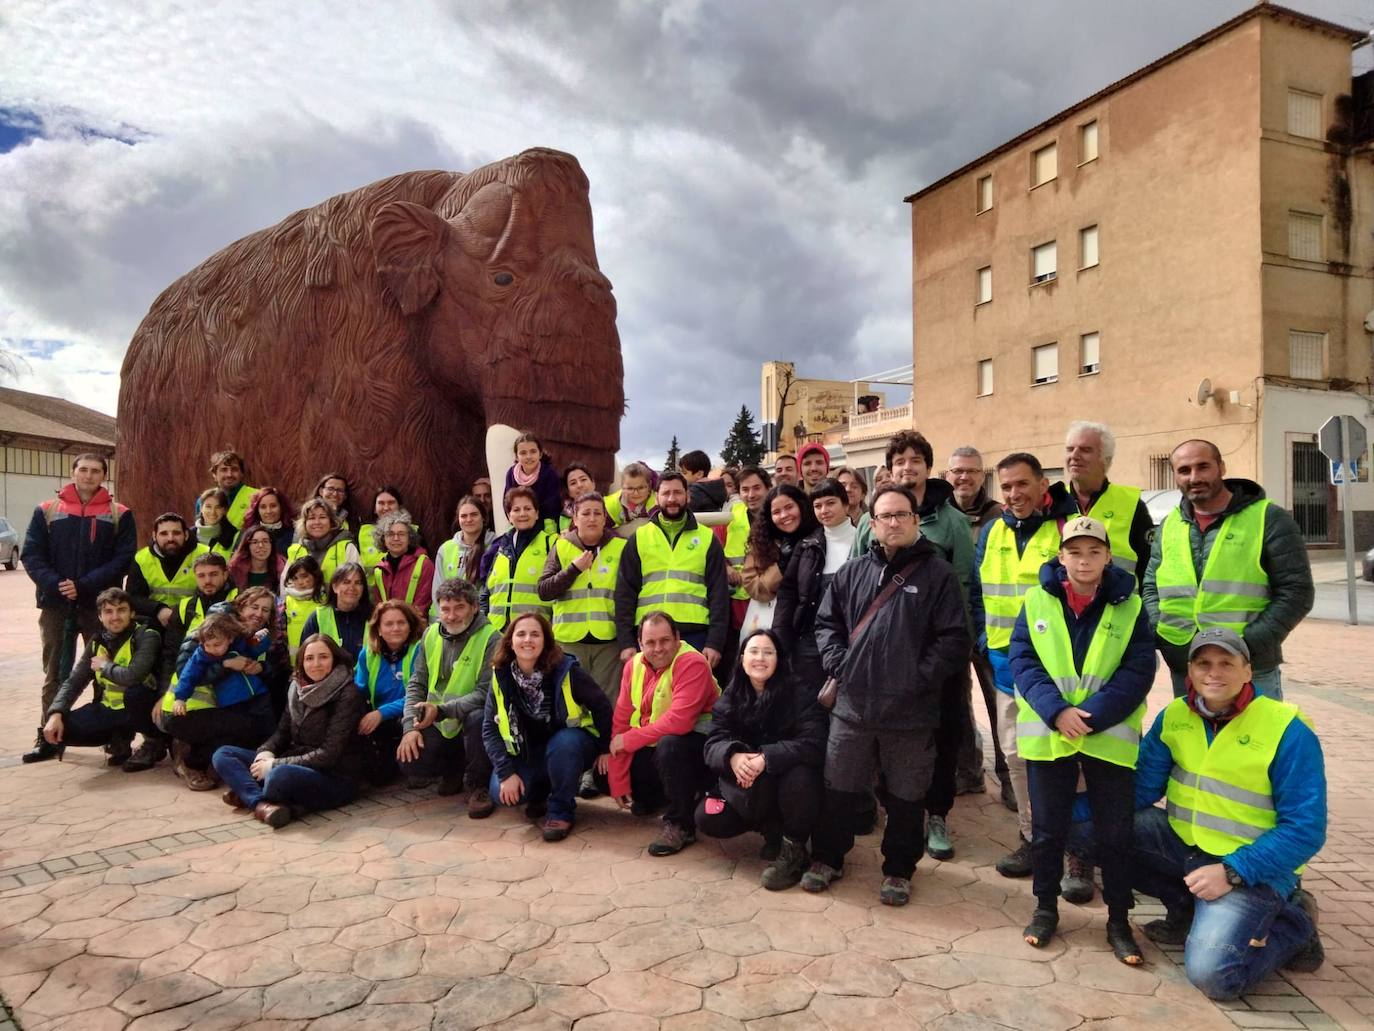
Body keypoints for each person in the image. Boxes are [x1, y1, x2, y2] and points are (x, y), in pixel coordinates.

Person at [1131, 627, 1326, 999]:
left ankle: (1296, 925)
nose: (1213, 673)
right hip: (1186, 846)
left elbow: (1306, 829)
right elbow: (1142, 788)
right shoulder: (1175, 715)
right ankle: (1186, 909)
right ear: (1189, 672)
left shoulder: (1287, 729)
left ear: (1248, 671)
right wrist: (1065, 810)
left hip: (1254, 870)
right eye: (1203, 663)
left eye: (1226, 663)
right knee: (1091, 826)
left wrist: (1233, 872)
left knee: (1213, 977)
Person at [803, 484, 970, 906]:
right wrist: (838, 662)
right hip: (852, 707)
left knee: (906, 795)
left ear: (915, 519)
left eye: (901, 514)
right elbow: (827, 624)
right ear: (872, 524)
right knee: (839, 786)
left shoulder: (939, 576)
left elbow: (953, 640)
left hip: (911, 712)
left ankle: (898, 869)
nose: (893, 523)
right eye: (884, 516)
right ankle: (828, 858)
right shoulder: (853, 572)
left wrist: (915, 679)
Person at [1008, 516, 1154, 964]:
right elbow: (1023, 659)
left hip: (1107, 736)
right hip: (1050, 736)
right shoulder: (1035, 600)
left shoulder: (1129, 606)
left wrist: (1092, 716)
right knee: (1048, 831)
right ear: (1061, 556)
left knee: (1115, 833)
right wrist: (1056, 711)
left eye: (1094, 551)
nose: (1084, 560)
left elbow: (1139, 669)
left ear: (1108, 556)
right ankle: (1045, 908)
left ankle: (1117, 921)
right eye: (1075, 551)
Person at [853, 430, 978, 862]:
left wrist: (952, 651)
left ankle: (937, 813)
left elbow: (964, 586)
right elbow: (856, 582)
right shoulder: (873, 517)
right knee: (884, 733)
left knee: (942, 732)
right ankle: (893, 807)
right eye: (899, 460)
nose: (908, 467)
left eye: (915, 460)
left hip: (936, 651)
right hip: (881, 653)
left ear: (928, 466)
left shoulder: (952, 522)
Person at [1143, 439, 1314, 701]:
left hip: (1249, 666)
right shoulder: (1169, 525)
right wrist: (1161, 631)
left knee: (1258, 741)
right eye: (1184, 470)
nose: (1194, 477)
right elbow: (1151, 587)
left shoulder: (1269, 518)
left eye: (1203, 467)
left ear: (1221, 467)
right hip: (1186, 664)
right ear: (1176, 476)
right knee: (1191, 741)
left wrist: (1249, 643)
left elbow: (1296, 591)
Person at [971, 452, 1070, 878]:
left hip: (1055, 670)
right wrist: (982, 636)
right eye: (1006, 486)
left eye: (1022, 484)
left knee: (1063, 757)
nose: (1013, 494)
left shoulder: (1065, 527)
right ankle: (1032, 839)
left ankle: (1074, 850)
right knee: (1014, 754)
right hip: (1005, 664)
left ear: (1042, 485)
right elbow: (979, 591)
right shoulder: (993, 532)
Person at [21, 453, 135, 762]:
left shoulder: (119, 513)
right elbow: (31, 554)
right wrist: (57, 583)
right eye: (82, 469)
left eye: (95, 470)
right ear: (72, 473)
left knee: (106, 671)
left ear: (104, 476)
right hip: (56, 605)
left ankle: (115, 738)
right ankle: (48, 736)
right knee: (55, 672)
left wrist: (84, 585)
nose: (88, 475)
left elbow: (123, 558)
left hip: (100, 607)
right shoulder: (47, 511)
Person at [696, 629, 827, 889]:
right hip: (748, 783)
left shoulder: (799, 692)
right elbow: (713, 742)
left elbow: (815, 742)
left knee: (801, 777)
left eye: (768, 652)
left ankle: (795, 849)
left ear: (779, 659)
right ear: (742, 658)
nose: (760, 658)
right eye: (753, 652)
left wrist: (766, 757)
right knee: (708, 818)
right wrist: (732, 756)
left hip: (786, 781)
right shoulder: (732, 695)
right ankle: (771, 831)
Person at [483, 612, 613, 841]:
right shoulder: (501, 675)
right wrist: (506, 774)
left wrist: (605, 748)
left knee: (563, 744)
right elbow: (489, 728)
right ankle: (540, 792)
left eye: (535, 634)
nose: (528, 640)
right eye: (521, 634)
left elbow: (601, 705)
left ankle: (561, 811)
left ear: (545, 641)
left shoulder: (566, 669)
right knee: (499, 793)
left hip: (572, 745)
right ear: (510, 642)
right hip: (529, 752)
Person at [212, 634, 365, 828]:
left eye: (324, 657)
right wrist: (265, 753)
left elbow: (329, 754)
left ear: (335, 658)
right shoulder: (296, 687)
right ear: (301, 662)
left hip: (334, 776)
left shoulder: (348, 693)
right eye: (309, 658)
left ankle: (248, 793)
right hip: (295, 762)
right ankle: (261, 804)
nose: (316, 664)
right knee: (223, 754)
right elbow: (282, 733)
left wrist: (274, 765)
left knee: (279, 777)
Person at [609, 612, 720, 856]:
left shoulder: (692, 662)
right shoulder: (633, 665)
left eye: (665, 640)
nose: (658, 648)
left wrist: (627, 741)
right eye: (650, 642)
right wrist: (617, 779)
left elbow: (679, 723)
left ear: (677, 638)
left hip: (701, 750)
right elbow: (621, 719)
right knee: (603, 774)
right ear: (640, 644)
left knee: (670, 746)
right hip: (657, 742)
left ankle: (680, 824)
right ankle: (656, 798)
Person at [946, 445, 1013, 810]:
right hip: (953, 626)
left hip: (990, 627)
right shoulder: (941, 516)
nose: (964, 477)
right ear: (947, 475)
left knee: (998, 705)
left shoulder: (998, 516)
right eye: (958, 471)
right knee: (958, 706)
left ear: (982, 475)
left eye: (971, 471)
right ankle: (969, 773)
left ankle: (1007, 778)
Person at [398, 578, 499, 816]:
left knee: (477, 718)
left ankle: (478, 785)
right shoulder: (431, 634)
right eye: (445, 609)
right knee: (409, 761)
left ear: (474, 607)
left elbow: (486, 693)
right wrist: (408, 727)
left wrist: (441, 710)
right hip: (439, 720)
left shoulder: (492, 638)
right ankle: (453, 769)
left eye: (459, 607)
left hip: (470, 718)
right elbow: (417, 681)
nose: (451, 616)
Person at [614, 471, 730, 671]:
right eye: (666, 493)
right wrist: (626, 642)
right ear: (656, 496)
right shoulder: (639, 538)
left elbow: (719, 593)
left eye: (677, 493)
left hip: (695, 636)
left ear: (688, 495)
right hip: (650, 638)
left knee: (693, 700)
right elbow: (625, 593)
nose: (672, 499)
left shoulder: (707, 538)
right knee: (650, 700)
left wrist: (715, 642)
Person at [37, 588, 163, 767]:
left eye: (121, 610)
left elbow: (133, 676)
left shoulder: (147, 636)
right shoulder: (98, 641)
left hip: (142, 708)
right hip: (110, 708)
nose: (115, 617)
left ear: (132, 613)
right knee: (64, 728)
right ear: (100, 616)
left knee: (135, 694)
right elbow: (75, 681)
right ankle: (118, 739)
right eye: (108, 612)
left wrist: (104, 666)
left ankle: (154, 742)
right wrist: (56, 713)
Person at [162, 610, 276, 790]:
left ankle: (265, 766)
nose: (212, 649)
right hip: (231, 703)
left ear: (229, 638)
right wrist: (180, 698)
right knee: (241, 732)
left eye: (217, 644)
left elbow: (256, 649)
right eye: (207, 645)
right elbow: (188, 676)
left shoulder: (238, 644)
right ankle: (199, 762)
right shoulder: (202, 655)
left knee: (267, 731)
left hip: (258, 694)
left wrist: (262, 639)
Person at [1048, 422, 1153, 585]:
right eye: (1070, 449)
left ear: (1105, 460)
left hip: (1118, 606)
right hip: (1062, 608)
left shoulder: (1130, 503)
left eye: (1085, 450)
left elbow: (1149, 568)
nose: (1074, 455)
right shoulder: (1052, 501)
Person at [774, 478, 854, 690]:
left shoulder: (863, 541)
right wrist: (781, 639)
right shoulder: (807, 545)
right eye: (817, 506)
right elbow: (788, 593)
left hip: (852, 642)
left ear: (846, 504)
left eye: (830, 503)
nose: (824, 510)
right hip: (809, 642)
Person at [354, 599, 422, 786]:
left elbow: (419, 696)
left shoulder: (420, 650)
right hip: (380, 722)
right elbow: (358, 690)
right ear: (379, 629)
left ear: (410, 626)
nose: (395, 628)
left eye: (401, 623)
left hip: (410, 718)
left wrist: (381, 713)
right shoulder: (367, 654)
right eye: (389, 624)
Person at [480, 487, 555, 629]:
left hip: (534, 632)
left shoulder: (551, 545)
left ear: (537, 514)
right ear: (509, 516)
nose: (522, 514)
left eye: (527, 508)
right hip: (497, 632)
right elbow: (486, 591)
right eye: (516, 510)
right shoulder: (499, 546)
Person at [741, 484, 818, 618]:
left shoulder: (819, 536)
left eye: (789, 507)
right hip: (777, 619)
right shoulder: (761, 542)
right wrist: (781, 565)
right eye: (776, 512)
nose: (784, 515)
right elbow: (753, 587)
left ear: (801, 505)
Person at [721, 466, 772, 654]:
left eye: (756, 488)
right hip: (739, 601)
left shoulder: (780, 515)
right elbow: (713, 547)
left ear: (768, 488)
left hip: (771, 598)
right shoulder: (731, 515)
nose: (751, 494)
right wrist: (726, 568)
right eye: (745, 489)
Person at [126, 513, 206, 626]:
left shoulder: (204, 555)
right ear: (154, 536)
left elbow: (214, 593)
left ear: (186, 535)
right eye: (164, 533)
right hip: (154, 620)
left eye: (176, 533)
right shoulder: (142, 559)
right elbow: (133, 598)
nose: (170, 538)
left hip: (194, 619)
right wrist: (158, 609)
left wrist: (181, 613)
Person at [299, 562, 372, 663]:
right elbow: (304, 657)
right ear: (335, 587)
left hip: (365, 678)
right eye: (346, 582)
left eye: (358, 583)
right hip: (327, 678)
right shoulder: (318, 617)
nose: (352, 587)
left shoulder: (374, 617)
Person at [433, 495, 493, 617]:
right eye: (464, 516)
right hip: (449, 617)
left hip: (482, 618)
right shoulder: (446, 549)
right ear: (458, 519)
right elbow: (437, 589)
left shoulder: (495, 546)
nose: (469, 519)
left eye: (474, 514)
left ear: (484, 518)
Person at [285, 497, 358, 586]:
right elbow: (285, 585)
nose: (317, 522)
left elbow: (357, 582)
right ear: (304, 523)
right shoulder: (296, 551)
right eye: (311, 518)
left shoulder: (347, 547)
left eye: (322, 517)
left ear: (331, 521)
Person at [369, 510, 434, 608]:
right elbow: (379, 607)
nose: (396, 538)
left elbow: (423, 605)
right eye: (390, 534)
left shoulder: (424, 565)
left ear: (410, 538)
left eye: (401, 534)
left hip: (415, 622)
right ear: (383, 539)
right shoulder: (379, 570)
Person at [504, 431, 562, 529]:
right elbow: (507, 503)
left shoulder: (549, 473)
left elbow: (553, 505)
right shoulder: (511, 474)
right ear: (517, 456)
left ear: (540, 454)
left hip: (545, 524)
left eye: (533, 451)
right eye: (523, 453)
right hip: (518, 523)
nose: (528, 456)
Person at [201, 449, 259, 536]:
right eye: (224, 470)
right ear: (214, 475)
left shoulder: (257, 497)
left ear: (242, 473)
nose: (229, 474)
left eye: (234, 469)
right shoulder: (204, 500)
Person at [279, 556, 324, 661]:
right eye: (295, 578)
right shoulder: (286, 603)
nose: (300, 582)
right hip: (292, 663)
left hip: (317, 662)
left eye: (304, 576)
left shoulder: (325, 602)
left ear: (315, 575)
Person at [357, 485, 410, 573]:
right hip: (372, 586)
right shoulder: (362, 532)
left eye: (391, 503)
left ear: (399, 507)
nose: (386, 508)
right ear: (374, 508)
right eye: (381, 503)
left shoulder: (413, 532)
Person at [238, 487, 296, 558]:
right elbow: (236, 561)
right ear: (257, 510)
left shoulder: (293, 532)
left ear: (281, 507)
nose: (268, 511)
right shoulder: (248, 532)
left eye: (273, 506)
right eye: (263, 507)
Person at [228, 526, 286, 592]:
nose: (261, 545)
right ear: (247, 546)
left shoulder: (282, 570)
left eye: (265, 541)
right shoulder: (234, 571)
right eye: (255, 542)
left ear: (271, 545)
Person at [604, 462, 656, 527]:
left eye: (641, 488)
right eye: (630, 489)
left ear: (649, 486)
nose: (636, 493)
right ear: (622, 487)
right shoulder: (611, 505)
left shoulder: (657, 502)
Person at [195, 489, 238, 558]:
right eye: (208, 507)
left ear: (225, 510)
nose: (213, 512)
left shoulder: (235, 536)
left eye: (218, 507)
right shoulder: (188, 535)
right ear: (201, 508)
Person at [559, 464, 597, 531]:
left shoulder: (608, 506)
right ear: (568, 492)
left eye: (583, 479)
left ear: (593, 483)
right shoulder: (565, 517)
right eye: (573, 483)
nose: (579, 485)